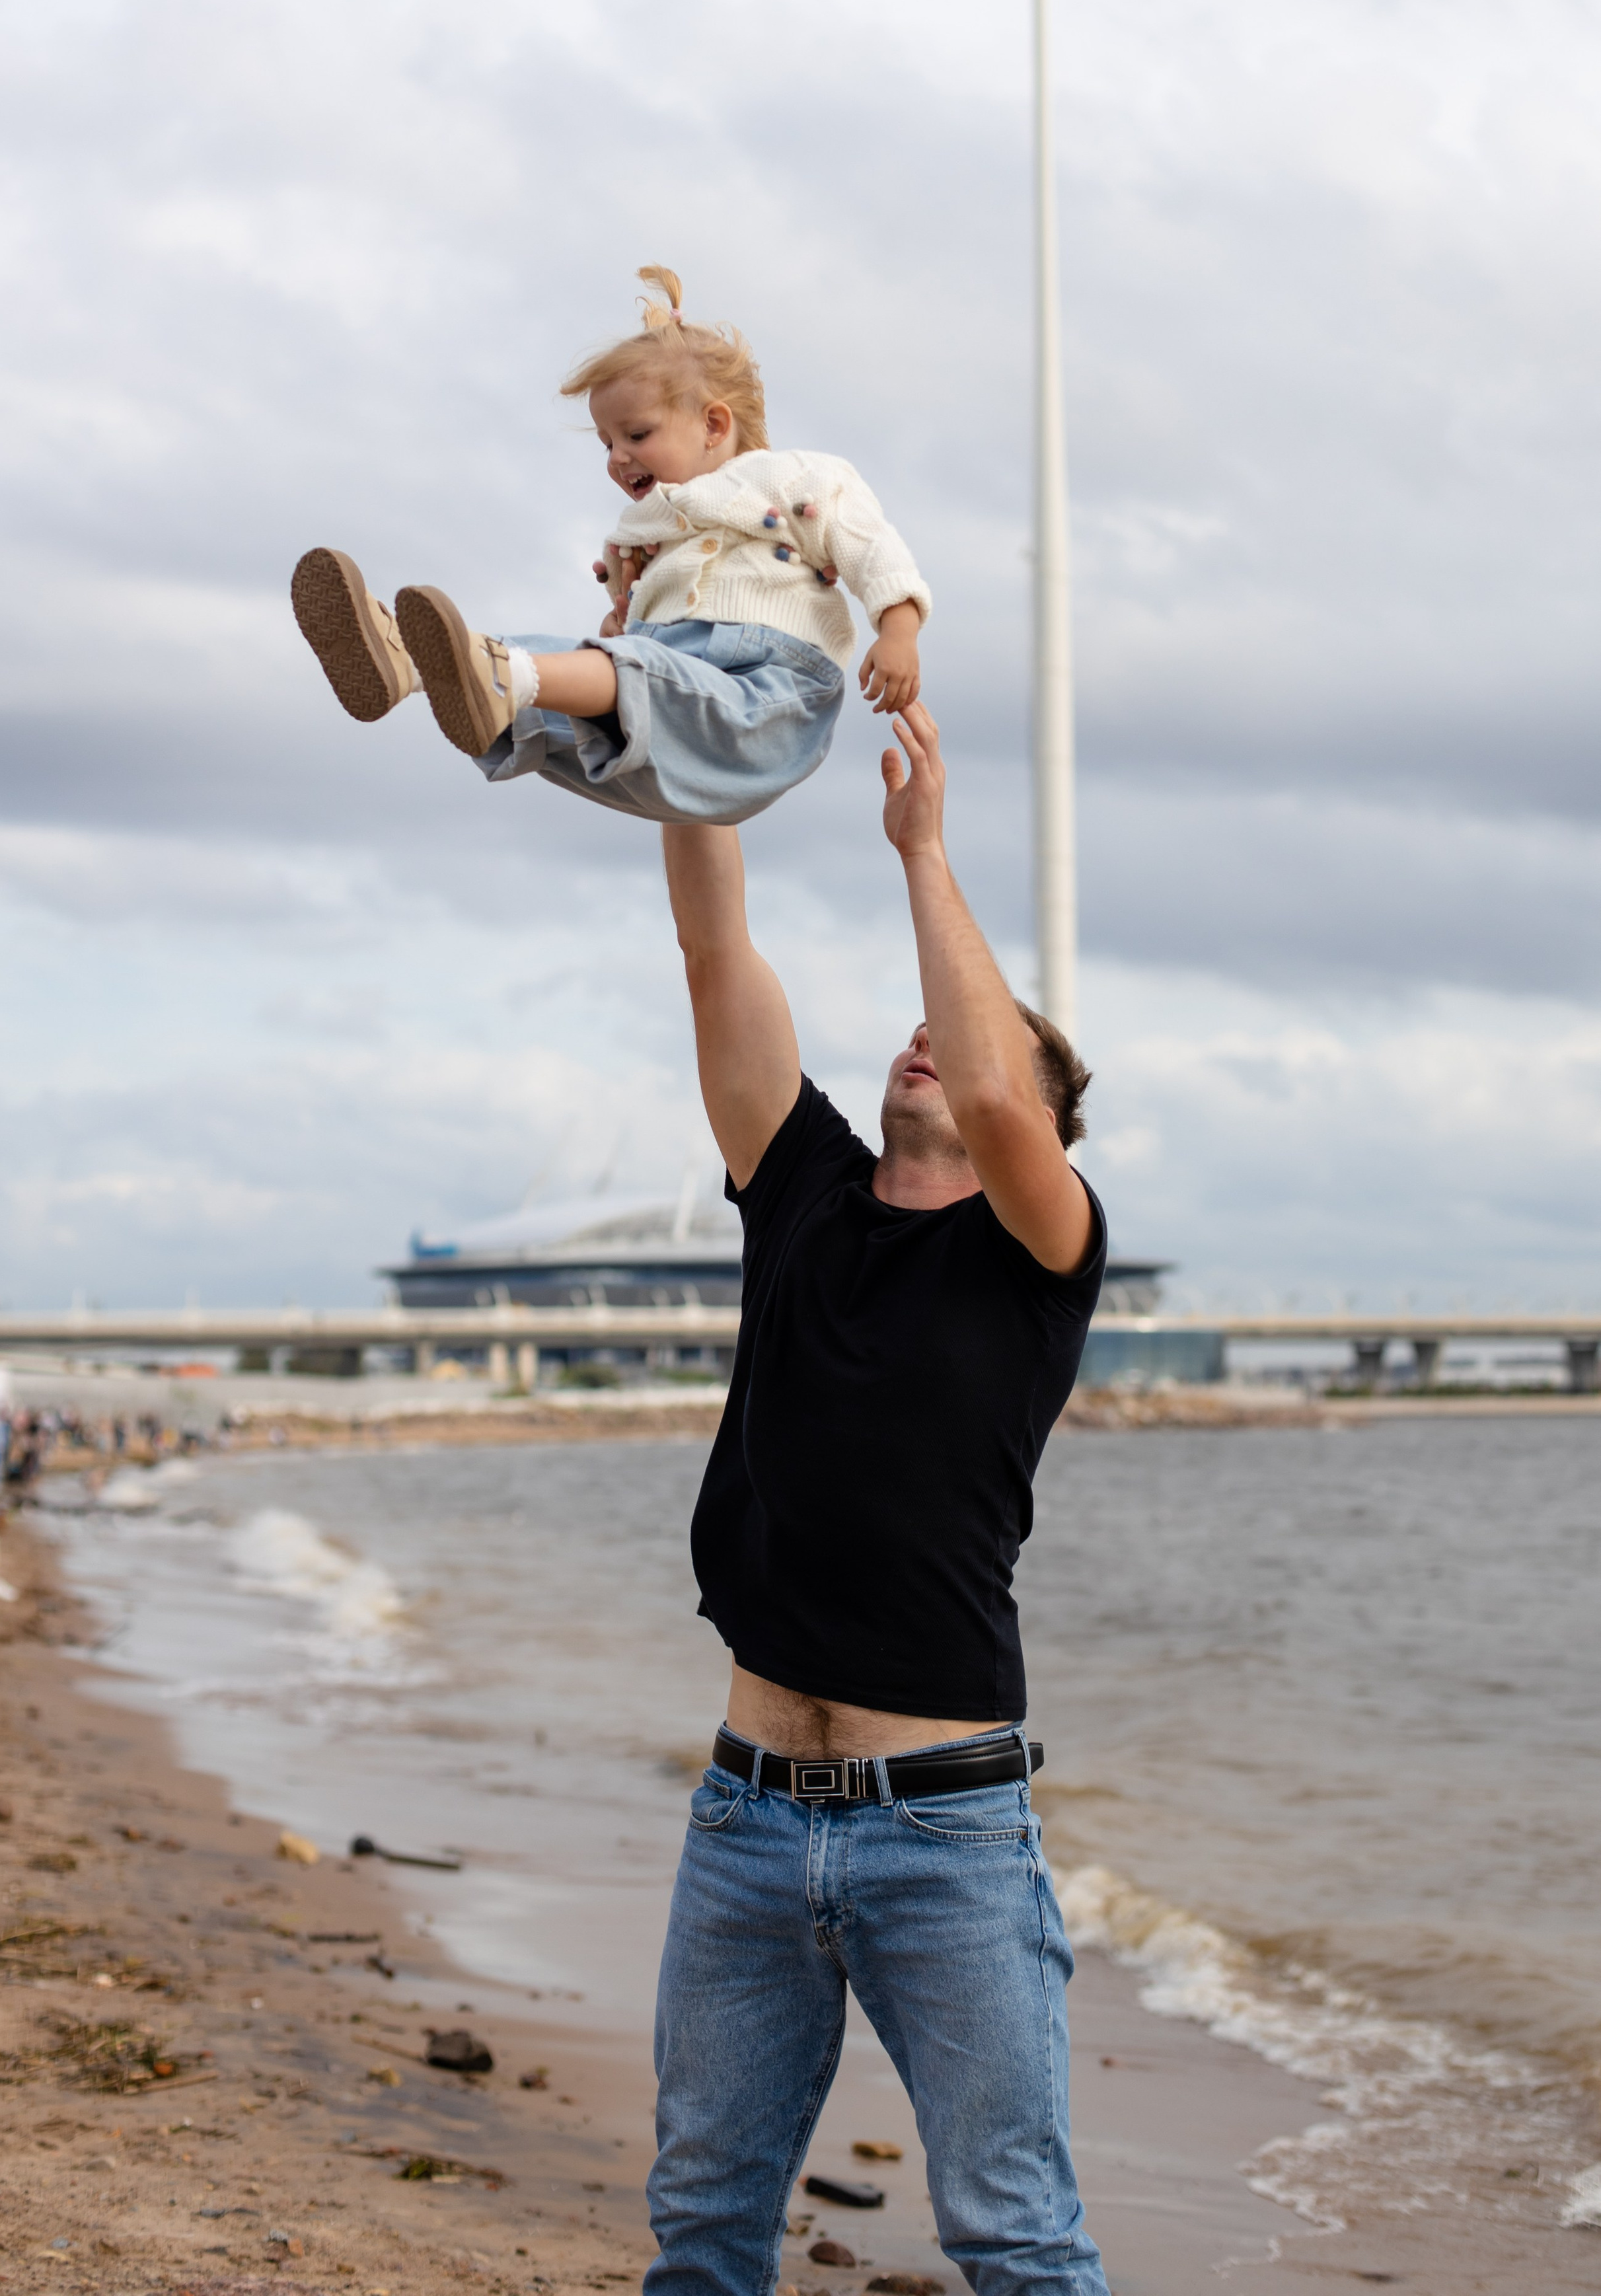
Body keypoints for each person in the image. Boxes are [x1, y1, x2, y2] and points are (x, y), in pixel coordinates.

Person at [648, 702, 1111, 2296]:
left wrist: (922, 853)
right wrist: (672, 726)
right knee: (702, 2221)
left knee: (1011, 2232)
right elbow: (718, 956)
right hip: (746, 1814)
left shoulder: (1036, 1248)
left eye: (983, 1036)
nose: (934, 1038)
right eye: (915, 1022)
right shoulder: (799, 1189)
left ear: (1043, 1121)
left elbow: (994, 1097)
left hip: (948, 1832)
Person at [291, 267, 930, 825]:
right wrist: (623, 624)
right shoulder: (644, 533)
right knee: (565, 665)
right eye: (606, 443)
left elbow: (871, 547)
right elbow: (629, 627)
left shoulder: (793, 477)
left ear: (714, 424)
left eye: (637, 434)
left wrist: (897, 629)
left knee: (621, 670)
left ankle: (496, 673)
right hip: (664, 731)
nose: (618, 458)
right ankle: (408, 664)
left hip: (767, 698)